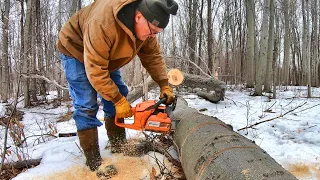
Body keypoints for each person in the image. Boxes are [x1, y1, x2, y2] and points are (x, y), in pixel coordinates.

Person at [57, 0, 178, 171]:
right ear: (138, 17)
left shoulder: (148, 25)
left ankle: (119, 145)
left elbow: (153, 56)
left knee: (120, 91)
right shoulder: (103, 23)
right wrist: (117, 100)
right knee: (86, 104)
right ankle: (94, 162)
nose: (153, 36)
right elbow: (96, 71)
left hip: (104, 53)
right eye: (152, 31)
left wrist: (164, 84)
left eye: (157, 33)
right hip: (76, 49)